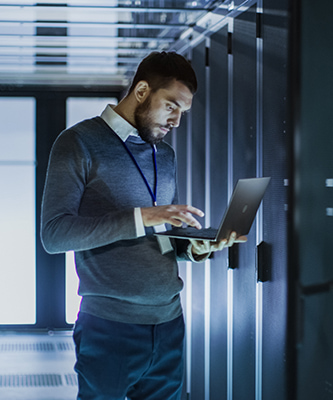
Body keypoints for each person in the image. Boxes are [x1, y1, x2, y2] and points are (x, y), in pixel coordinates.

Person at [41, 51, 245, 400]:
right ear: (141, 91)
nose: (177, 121)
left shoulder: (163, 154)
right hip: (108, 327)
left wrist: (192, 248)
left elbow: (161, 237)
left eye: (183, 111)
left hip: (168, 323)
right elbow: (55, 234)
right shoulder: (77, 143)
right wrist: (141, 217)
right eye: (171, 106)